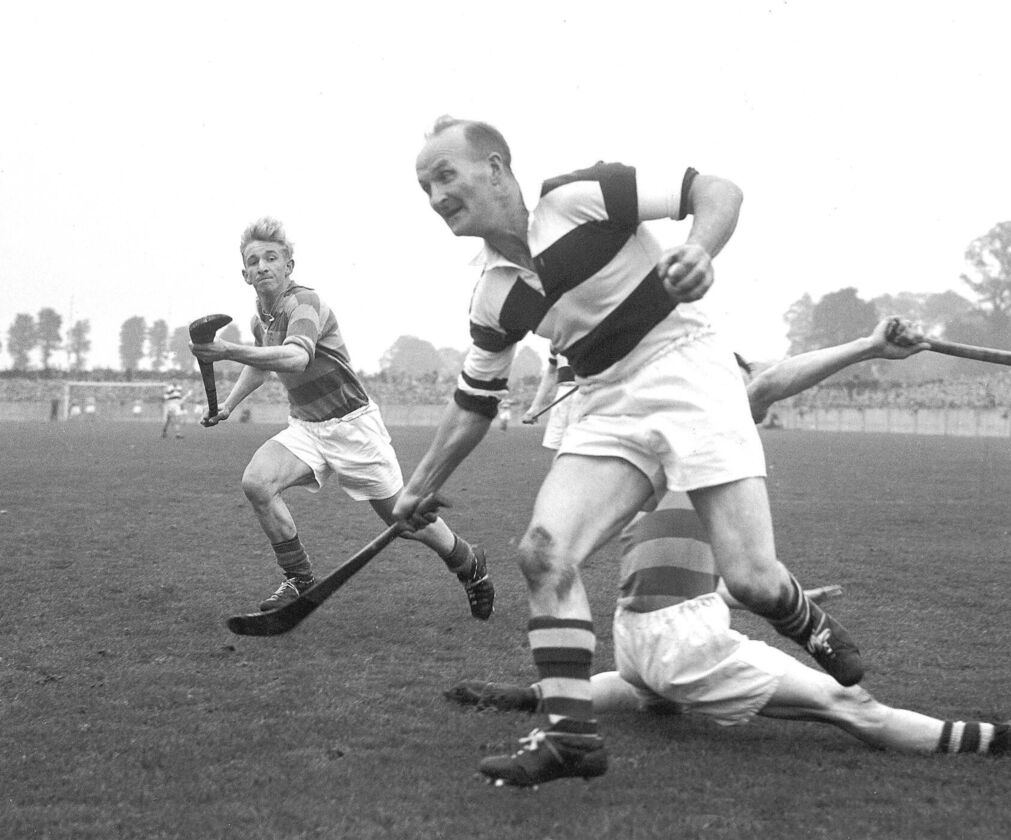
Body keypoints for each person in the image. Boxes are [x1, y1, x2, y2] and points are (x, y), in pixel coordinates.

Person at [397, 116, 864, 786]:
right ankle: (571, 740)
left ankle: (803, 617)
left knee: (751, 581)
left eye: (446, 175)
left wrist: (700, 250)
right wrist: (419, 485)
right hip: (607, 400)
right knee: (543, 552)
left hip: (690, 368)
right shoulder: (493, 294)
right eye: (426, 187)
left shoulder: (578, 197)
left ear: (496, 169)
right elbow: (474, 402)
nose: (437, 196)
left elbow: (717, 190)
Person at [444, 321, 1011, 780]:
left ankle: (533, 696)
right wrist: (868, 347)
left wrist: (742, 598)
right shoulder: (693, 429)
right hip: (679, 642)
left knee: (645, 691)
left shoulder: (654, 451)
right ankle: (1008, 741)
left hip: (635, 636)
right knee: (850, 705)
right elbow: (768, 384)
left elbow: (678, 566)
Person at [190, 216, 493, 618]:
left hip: (352, 426)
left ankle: (468, 562)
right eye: (253, 261)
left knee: (402, 518)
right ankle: (299, 578)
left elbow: (296, 357)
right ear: (245, 274)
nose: (262, 266)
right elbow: (261, 366)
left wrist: (227, 351)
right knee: (257, 483)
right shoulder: (261, 316)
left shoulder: (304, 303)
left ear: (289, 266)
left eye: (271, 258)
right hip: (306, 427)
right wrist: (228, 405)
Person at [522, 354, 579, 451]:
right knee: (557, 447)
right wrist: (535, 407)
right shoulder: (556, 346)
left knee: (586, 448)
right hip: (563, 394)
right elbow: (551, 374)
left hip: (589, 393)